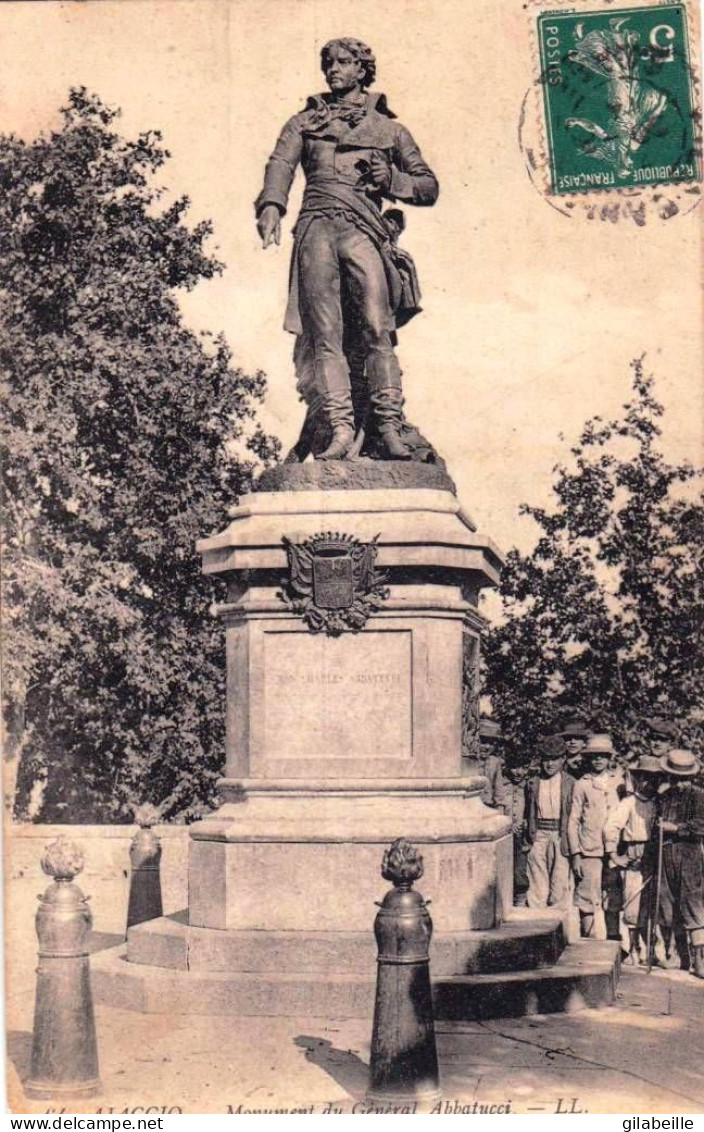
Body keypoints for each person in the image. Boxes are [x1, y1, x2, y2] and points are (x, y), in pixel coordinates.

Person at [255, 37, 439, 461]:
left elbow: (428, 186)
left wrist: (391, 179)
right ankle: (339, 429)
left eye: (342, 62)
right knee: (325, 334)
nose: (332, 70)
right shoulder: (303, 122)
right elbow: (280, 164)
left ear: (362, 69)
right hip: (316, 228)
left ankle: (389, 427)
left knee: (378, 326)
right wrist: (271, 205)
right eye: (328, 63)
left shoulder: (390, 130)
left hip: (363, 230)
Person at [603, 754, 661, 964]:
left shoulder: (660, 804)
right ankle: (634, 950)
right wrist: (614, 854)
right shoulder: (628, 802)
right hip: (635, 857)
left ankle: (652, 952)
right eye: (645, 778)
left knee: (654, 906)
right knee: (633, 906)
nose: (649, 783)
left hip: (656, 860)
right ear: (638, 779)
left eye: (654, 779)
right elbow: (611, 827)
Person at [567, 733, 624, 939]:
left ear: (610, 759)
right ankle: (589, 939)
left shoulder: (618, 783)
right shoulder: (582, 784)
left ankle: (613, 939)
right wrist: (576, 853)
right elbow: (573, 820)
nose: (598, 760)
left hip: (614, 851)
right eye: (594, 756)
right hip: (589, 850)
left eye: (603, 756)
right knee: (587, 896)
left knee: (613, 896)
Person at [656, 748, 704, 979]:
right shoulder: (664, 796)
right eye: (675, 778)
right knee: (669, 903)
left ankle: (700, 959)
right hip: (666, 855)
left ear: (691, 777)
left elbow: (702, 825)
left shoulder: (699, 795)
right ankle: (679, 955)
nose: (680, 783)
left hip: (690, 854)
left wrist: (676, 829)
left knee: (692, 903)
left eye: (684, 778)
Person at [524, 737, 574, 910]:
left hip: (560, 834)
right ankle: (536, 920)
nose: (550, 764)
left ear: (563, 759)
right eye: (546, 759)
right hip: (539, 834)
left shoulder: (570, 783)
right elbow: (528, 810)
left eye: (555, 759)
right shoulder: (533, 782)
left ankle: (557, 924)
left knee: (559, 879)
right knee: (537, 878)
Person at [475, 718, 508, 812]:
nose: (487, 747)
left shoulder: (495, 762)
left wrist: (500, 808)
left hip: (488, 806)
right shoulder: (469, 762)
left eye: (491, 743)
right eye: (483, 742)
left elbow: (499, 789)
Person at [558, 714, 590, 782]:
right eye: (568, 738)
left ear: (584, 743)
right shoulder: (559, 763)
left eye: (577, 738)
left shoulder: (589, 763)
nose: (572, 742)